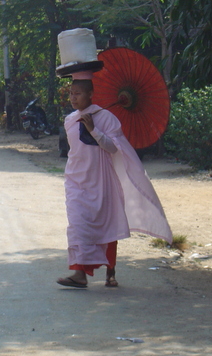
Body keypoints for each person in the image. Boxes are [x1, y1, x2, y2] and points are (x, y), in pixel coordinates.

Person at [57, 78, 172, 289]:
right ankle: (79, 274)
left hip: (102, 180)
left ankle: (111, 272)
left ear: (91, 94)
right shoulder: (70, 120)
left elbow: (113, 148)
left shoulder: (106, 118)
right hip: (76, 180)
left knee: (107, 224)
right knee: (78, 224)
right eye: (71, 93)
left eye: (78, 93)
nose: (73, 98)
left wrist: (93, 129)